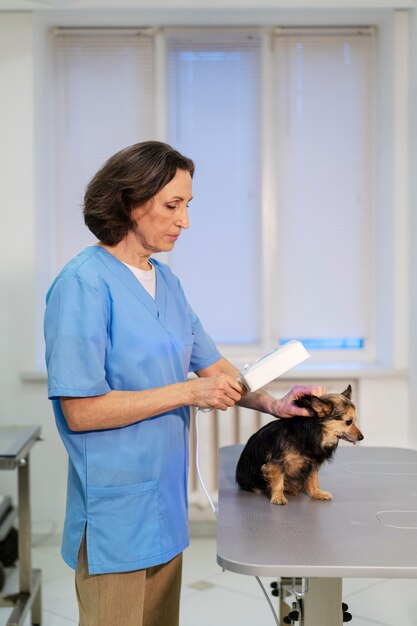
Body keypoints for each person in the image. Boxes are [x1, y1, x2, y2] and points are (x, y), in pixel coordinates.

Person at [44, 141, 325, 626]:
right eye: (173, 205)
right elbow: (80, 410)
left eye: (187, 206)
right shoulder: (82, 284)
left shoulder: (167, 284)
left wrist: (274, 405)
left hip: (165, 505)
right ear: (131, 200)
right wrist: (187, 393)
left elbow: (214, 369)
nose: (185, 221)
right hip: (116, 509)